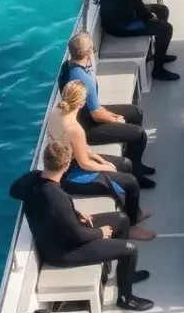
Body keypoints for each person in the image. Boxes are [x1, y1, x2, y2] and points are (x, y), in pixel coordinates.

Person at [9, 138, 153, 312]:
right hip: (63, 251)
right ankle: (125, 298)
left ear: (46, 161)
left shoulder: (33, 179)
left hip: (62, 232)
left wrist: (75, 214)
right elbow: (78, 235)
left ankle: (124, 275)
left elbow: (14, 190)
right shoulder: (56, 196)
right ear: (66, 165)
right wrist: (101, 232)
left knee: (122, 219)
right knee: (130, 249)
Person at [53, 80, 154, 240]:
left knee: (125, 164)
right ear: (81, 102)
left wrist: (101, 160)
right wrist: (107, 167)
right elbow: (84, 163)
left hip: (72, 163)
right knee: (130, 182)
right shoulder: (75, 128)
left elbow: (82, 150)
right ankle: (131, 227)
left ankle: (135, 213)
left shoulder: (55, 117)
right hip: (71, 176)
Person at [58, 30, 152, 181]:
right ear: (88, 52)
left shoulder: (67, 67)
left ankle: (134, 160)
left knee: (135, 113)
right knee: (138, 134)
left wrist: (111, 115)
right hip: (87, 127)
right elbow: (96, 114)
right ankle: (136, 173)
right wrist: (115, 120)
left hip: (88, 115)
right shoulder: (83, 78)